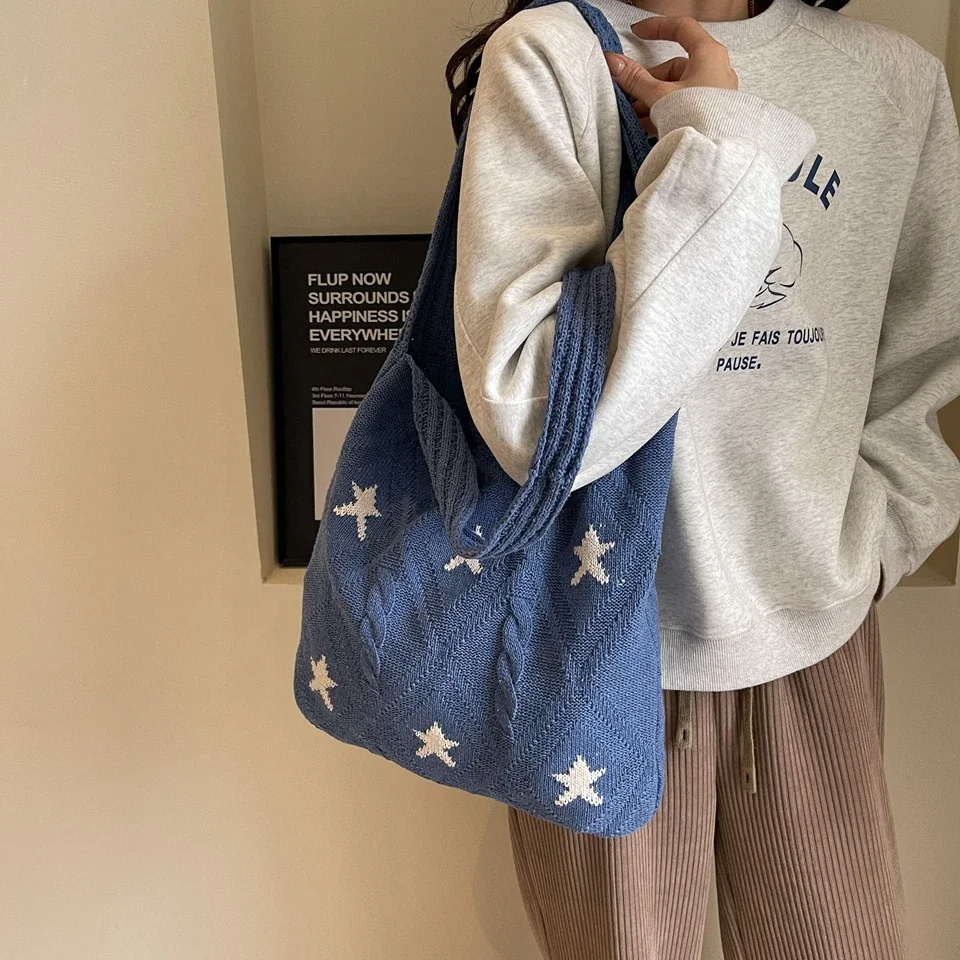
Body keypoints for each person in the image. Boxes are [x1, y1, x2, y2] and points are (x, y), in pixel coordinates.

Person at [445, 0, 960, 956]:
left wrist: (882, 542)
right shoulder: (553, 56)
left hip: (817, 627)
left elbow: (922, 359)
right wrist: (718, 142)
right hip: (595, 637)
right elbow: (533, 422)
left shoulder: (892, 80)